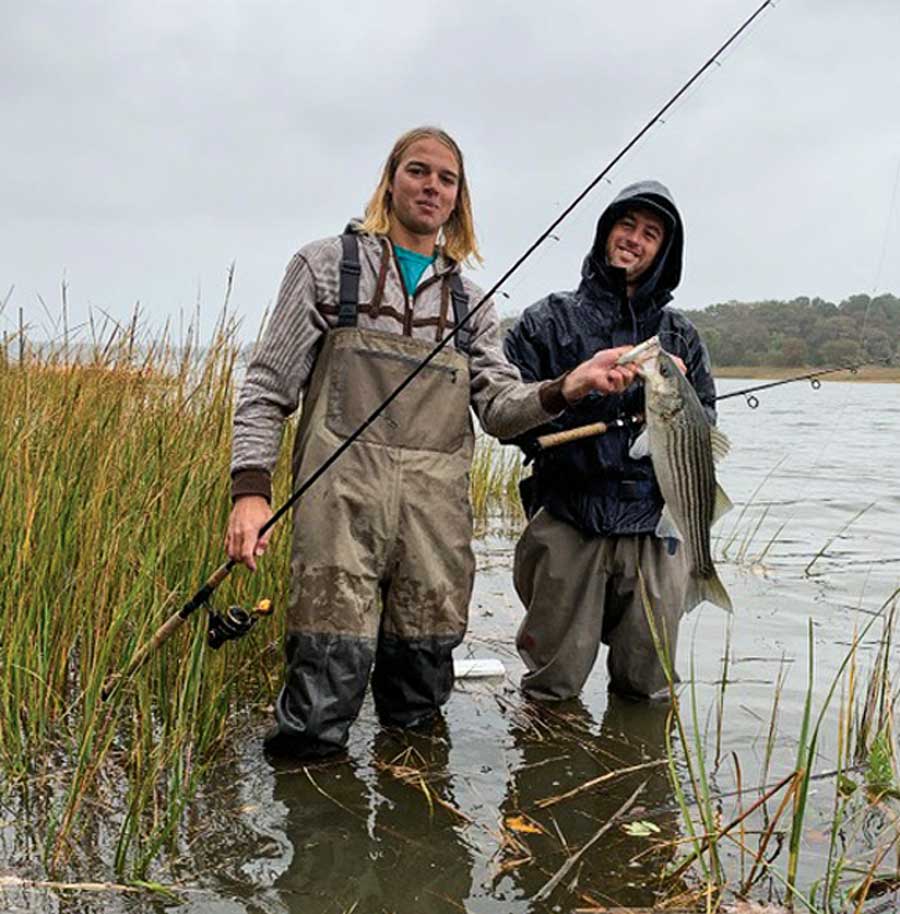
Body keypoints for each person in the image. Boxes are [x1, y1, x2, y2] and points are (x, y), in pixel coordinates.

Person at [226, 126, 640, 760]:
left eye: (447, 179)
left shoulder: (472, 303)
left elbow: (502, 411)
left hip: (435, 527)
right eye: (418, 171)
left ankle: (415, 839)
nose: (431, 186)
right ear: (391, 180)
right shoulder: (322, 267)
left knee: (418, 713)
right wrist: (250, 493)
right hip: (338, 515)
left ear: (458, 199)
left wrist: (571, 386)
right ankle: (318, 840)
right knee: (318, 705)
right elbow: (266, 387)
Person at [503, 180, 717, 702]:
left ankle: (638, 775)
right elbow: (504, 412)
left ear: (664, 251)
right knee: (551, 688)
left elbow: (704, 423)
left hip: (654, 528)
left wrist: (678, 396)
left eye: (651, 233)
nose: (635, 239)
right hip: (569, 519)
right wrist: (576, 390)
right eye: (627, 224)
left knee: (651, 691)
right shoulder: (545, 321)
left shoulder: (681, 335)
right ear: (605, 231)